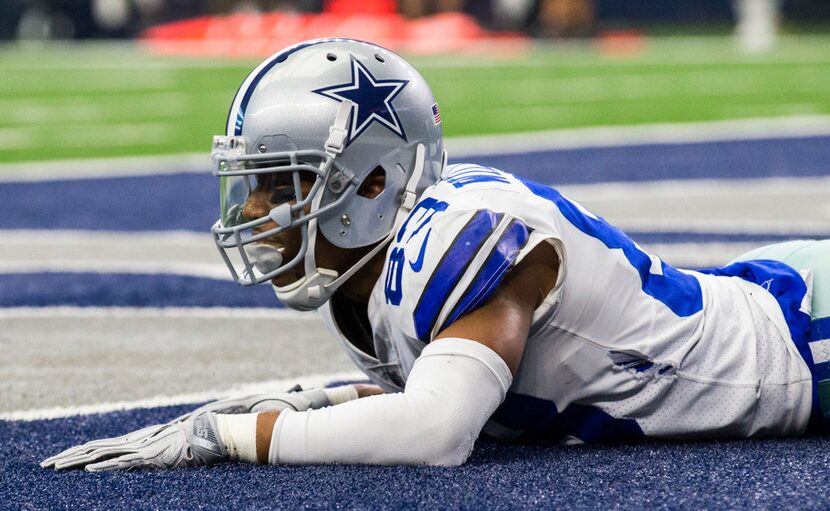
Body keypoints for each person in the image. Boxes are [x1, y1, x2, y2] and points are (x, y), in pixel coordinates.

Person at [41, 38, 829, 471]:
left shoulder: (463, 235)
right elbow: (439, 376)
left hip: (803, 337)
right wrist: (302, 400)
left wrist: (240, 437)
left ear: (373, 181)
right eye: (251, 185)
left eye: (280, 184)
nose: (254, 212)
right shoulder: (370, 276)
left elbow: (434, 430)